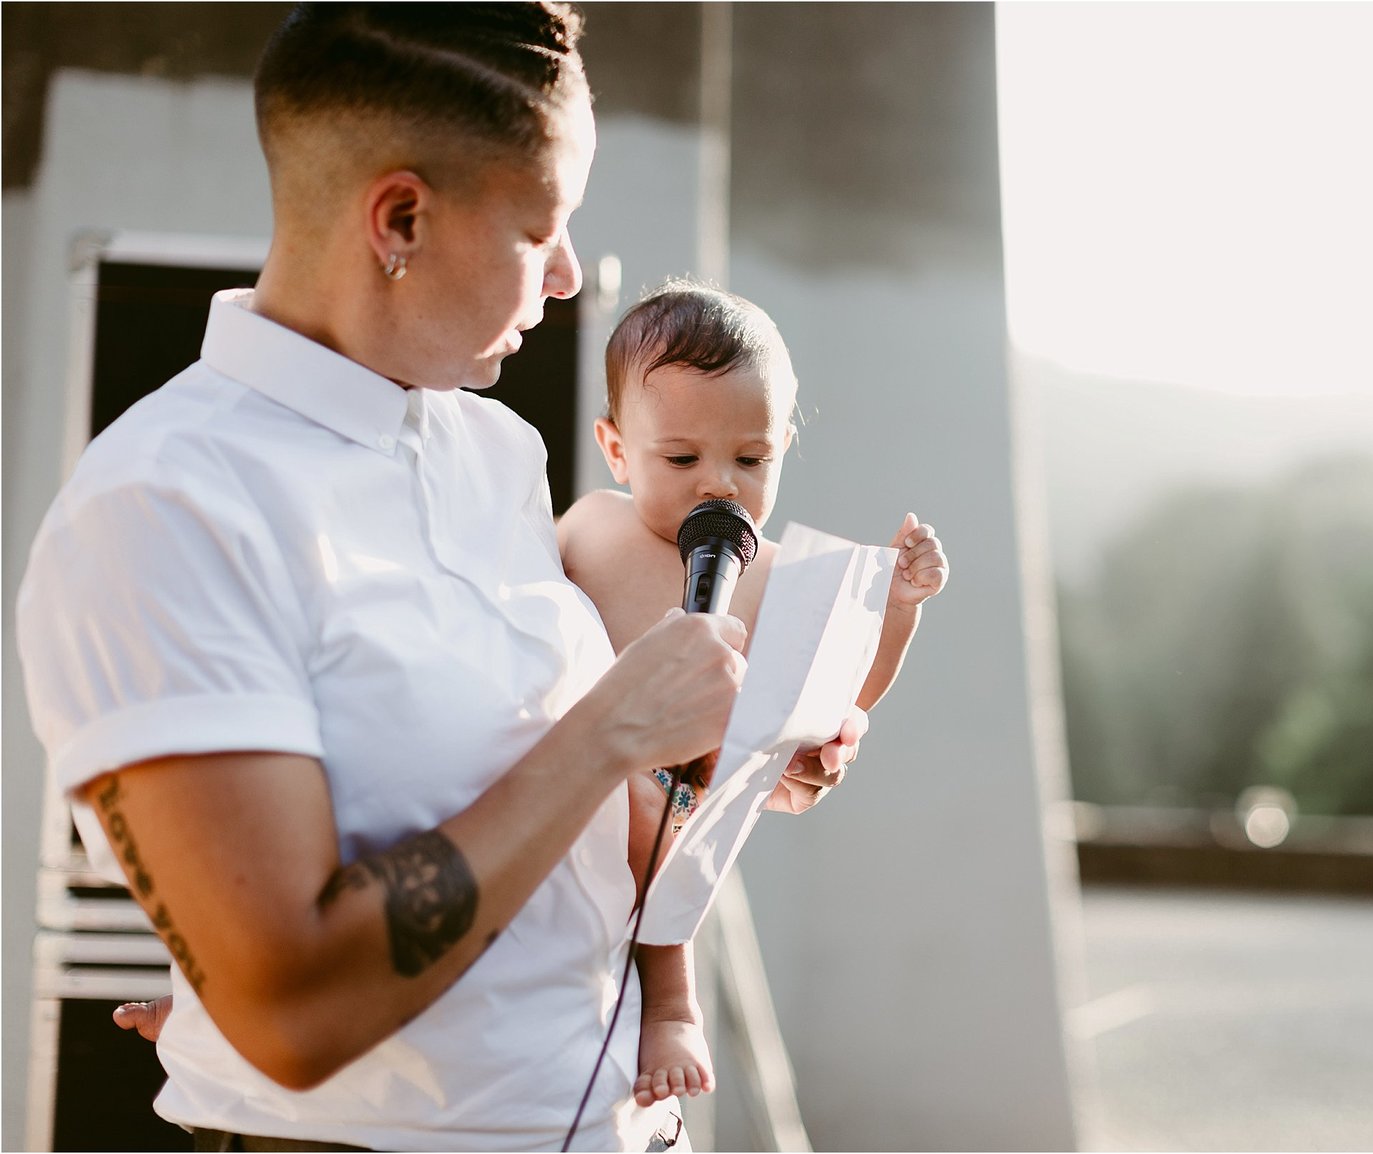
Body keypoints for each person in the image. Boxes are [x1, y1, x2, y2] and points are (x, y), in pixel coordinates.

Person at [14, 6, 850, 1149]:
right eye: (540, 226)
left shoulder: (493, 452)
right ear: (399, 218)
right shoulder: (166, 507)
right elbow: (292, 1007)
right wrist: (610, 728)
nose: (563, 278)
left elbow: (547, 810)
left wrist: (738, 763)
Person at [560, 282, 950, 1106]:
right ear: (616, 449)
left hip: (679, 787)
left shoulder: (775, 574)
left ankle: (671, 1007)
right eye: (682, 459)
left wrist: (899, 613)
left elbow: (843, 692)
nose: (720, 486)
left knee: (669, 862)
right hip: (577, 769)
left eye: (750, 458)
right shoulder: (590, 525)